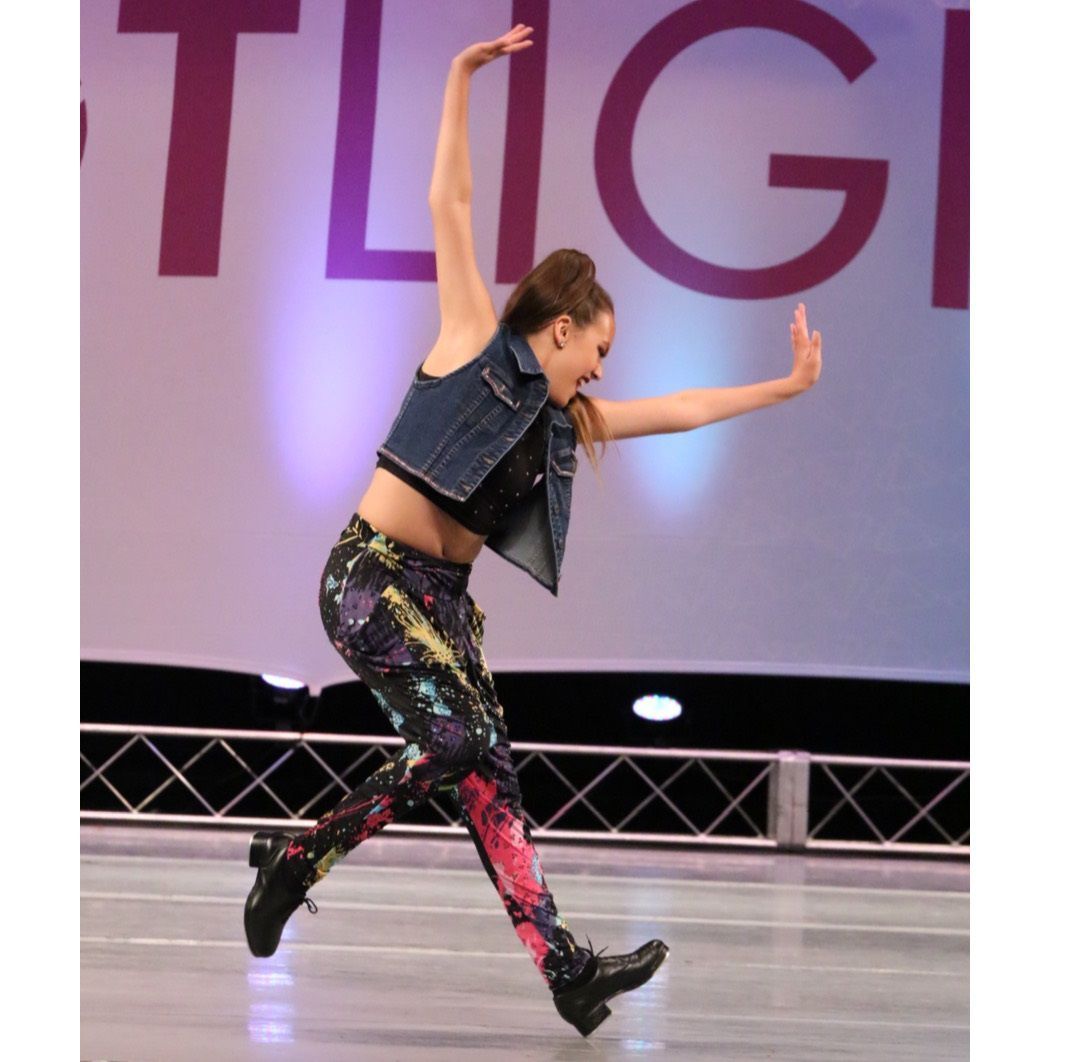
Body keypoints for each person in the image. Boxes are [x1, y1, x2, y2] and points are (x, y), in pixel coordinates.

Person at [244, 24, 822, 1037]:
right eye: (598, 348)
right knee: (459, 741)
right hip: (371, 581)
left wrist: (784, 387)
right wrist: (461, 76)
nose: (601, 369)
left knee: (490, 782)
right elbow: (451, 204)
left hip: (442, 605)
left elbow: (678, 409)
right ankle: (295, 861)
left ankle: (567, 973)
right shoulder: (474, 339)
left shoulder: (564, 421)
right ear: (561, 328)